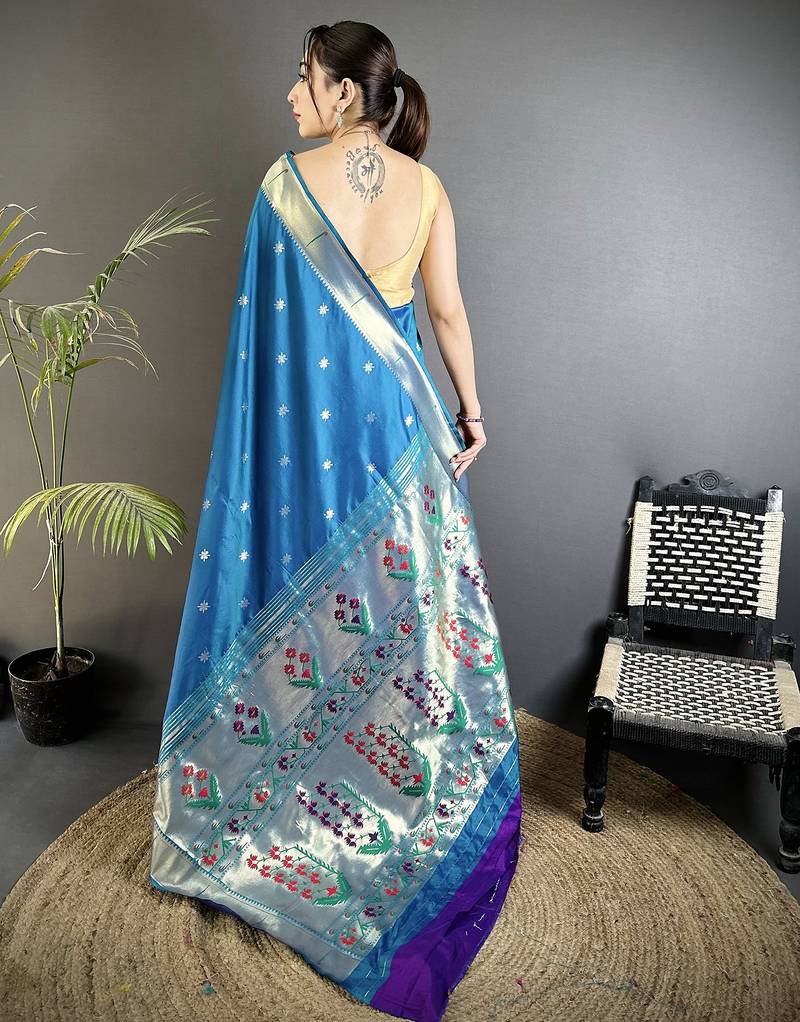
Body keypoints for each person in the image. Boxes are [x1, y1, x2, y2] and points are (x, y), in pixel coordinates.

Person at [150, 20, 522, 1022]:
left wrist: (265, 460)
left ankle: (278, 807)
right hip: (397, 440)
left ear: (345, 94)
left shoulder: (282, 186)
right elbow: (447, 313)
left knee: (309, 610)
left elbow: (262, 347)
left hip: (299, 451)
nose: (291, 95)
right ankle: (402, 805)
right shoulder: (426, 188)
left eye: (304, 79)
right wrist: (472, 411)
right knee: (406, 622)